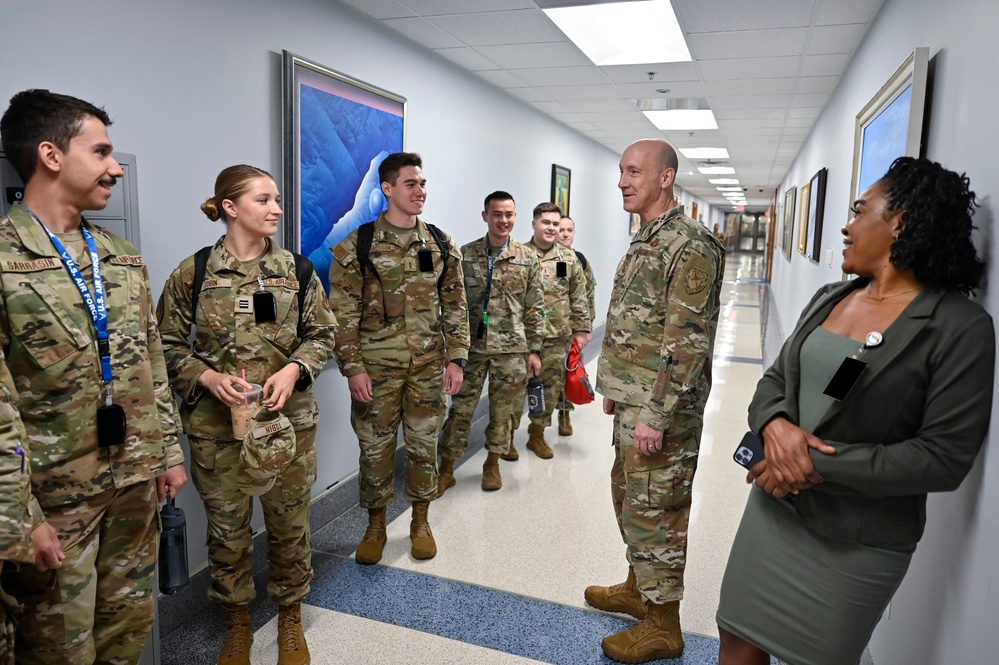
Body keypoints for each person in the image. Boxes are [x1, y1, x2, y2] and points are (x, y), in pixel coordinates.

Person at [716, 157, 995, 665]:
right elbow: (776, 380)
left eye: (859, 210)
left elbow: (943, 457)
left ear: (901, 221)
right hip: (774, 512)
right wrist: (775, 426)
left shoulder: (958, 327)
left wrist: (807, 464)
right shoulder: (830, 297)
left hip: (858, 537)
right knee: (736, 639)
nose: (845, 225)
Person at [0, 88, 188, 664]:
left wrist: (167, 453)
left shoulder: (121, 257)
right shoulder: (6, 259)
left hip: (133, 485)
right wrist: (19, 517)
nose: (115, 169)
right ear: (52, 155)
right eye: (102, 151)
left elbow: (150, 361)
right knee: (59, 652)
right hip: (55, 504)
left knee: (126, 639)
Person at [157, 164, 336, 665]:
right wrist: (208, 378)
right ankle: (236, 621)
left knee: (289, 524)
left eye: (277, 199)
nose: (277, 208)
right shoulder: (192, 274)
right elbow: (164, 346)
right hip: (218, 432)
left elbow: (324, 335)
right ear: (230, 208)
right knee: (227, 531)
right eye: (264, 200)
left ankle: (290, 616)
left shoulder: (298, 272)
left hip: (286, 430)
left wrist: (295, 370)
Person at [589, 138, 724, 664]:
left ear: (665, 178)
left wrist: (656, 411)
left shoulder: (690, 243)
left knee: (657, 509)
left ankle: (664, 624)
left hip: (663, 410)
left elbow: (686, 339)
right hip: (637, 400)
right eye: (621, 171)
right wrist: (618, 389)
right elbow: (638, 322)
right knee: (630, 498)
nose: (623, 181)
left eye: (634, 172)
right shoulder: (649, 235)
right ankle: (638, 588)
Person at [329, 152, 469, 564]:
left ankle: (420, 520)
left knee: (425, 445)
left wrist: (457, 358)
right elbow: (343, 313)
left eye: (423, 183)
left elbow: (456, 304)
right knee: (375, 448)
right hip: (376, 368)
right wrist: (352, 367)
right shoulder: (359, 245)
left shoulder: (440, 243)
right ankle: (375, 525)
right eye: (411, 184)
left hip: (428, 366)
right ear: (387, 189)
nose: (420, 191)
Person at [438, 191, 544, 493]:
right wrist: (452, 350)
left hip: (512, 350)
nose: (503, 220)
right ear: (486, 216)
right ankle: (446, 467)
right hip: (471, 350)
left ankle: (492, 463)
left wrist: (534, 351)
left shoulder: (528, 258)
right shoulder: (465, 254)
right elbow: (453, 305)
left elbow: (535, 307)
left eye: (509, 214)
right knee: (460, 411)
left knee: (503, 412)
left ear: (516, 217)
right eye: (497, 214)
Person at [507, 202, 590, 460]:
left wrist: (583, 328)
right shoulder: (518, 255)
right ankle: (505, 439)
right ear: (534, 224)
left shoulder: (568, 258)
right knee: (513, 391)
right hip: (521, 339)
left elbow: (579, 294)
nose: (552, 228)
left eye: (556, 223)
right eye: (546, 223)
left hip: (557, 337)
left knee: (551, 390)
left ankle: (536, 435)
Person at [555, 215, 596, 436]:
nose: (565, 234)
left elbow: (589, 294)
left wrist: (585, 327)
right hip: (546, 330)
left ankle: (564, 414)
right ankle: (536, 426)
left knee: (569, 372)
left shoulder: (580, 260)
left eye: (569, 230)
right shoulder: (542, 257)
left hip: (571, 329)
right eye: (561, 229)